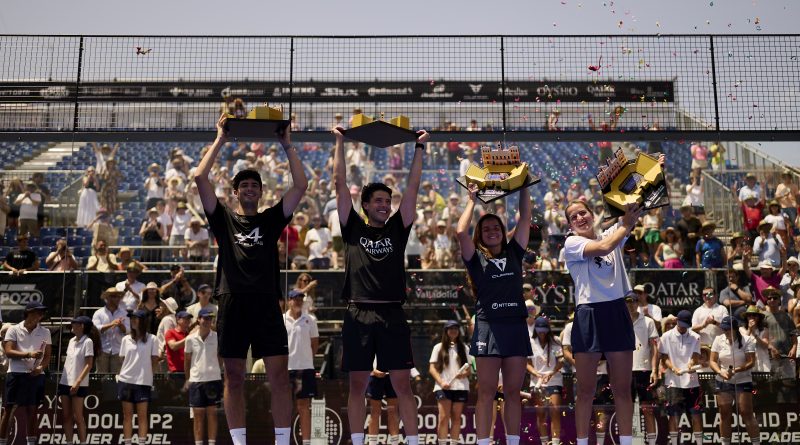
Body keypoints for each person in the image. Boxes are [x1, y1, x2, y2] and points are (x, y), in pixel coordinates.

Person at [196, 115, 307, 445]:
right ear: (235, 191)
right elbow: (200, 177)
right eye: (243, 184)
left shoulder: (272, 219)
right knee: (233, 377)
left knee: (280, 378)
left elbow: (300, 185)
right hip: (231, 302)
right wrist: (219, 138)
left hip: (265, 303)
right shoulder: (223, 219)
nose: (249, 188)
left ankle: (283, 441)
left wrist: (287, 145)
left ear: (260, 193)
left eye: (254, 185)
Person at [331, 124, 428, 445]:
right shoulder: (352, 228)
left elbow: (412, 189)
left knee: (403, 386)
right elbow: (339, 184)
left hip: (392, 315)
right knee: (357, 385)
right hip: (358, 314)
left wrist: (419, 148)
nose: (385, 205)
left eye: (388, 200)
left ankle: (412, 441)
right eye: (379, 201)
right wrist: (340, 142)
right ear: (366, 205)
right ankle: (358, 441)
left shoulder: (398, 228)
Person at [562, 197, 643, 445]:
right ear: (569, 225)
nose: (579, 218)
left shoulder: (610, 232)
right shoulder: (572, 243)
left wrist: (651, 173)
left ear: (592, 213)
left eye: (582, 212)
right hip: (588, 315)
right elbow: (605, 247)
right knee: (586, 390)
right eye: (573, 216)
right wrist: (624, 225)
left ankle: (627, 443)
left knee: (622, 388)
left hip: (617, 311)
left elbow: (635, 207)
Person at [456, 180, 531, 445]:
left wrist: (525, 185)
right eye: (486, 228)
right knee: (486, 391)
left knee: (513, 392)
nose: (491, 231)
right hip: (488, 327)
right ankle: (483, 442)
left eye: (496, 227)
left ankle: (512, 441)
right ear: (481, 233)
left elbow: (525, 219)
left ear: (502, 231)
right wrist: (471, 200)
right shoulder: (474, 257)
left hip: (515, 327)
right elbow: (460, 232)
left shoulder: (515, 252)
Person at [0, 302, 51, 445]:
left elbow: (47, 356)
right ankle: (2, 442)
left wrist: (41, 368)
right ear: (28, 313)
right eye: (37, 312)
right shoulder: (13, 329)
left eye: (42, 313)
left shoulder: (45, 332)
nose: (40, 315)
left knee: (32, 410)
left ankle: (31, 443)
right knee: (8, 410)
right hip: (16, 374)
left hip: (35, 376)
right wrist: (29, 354)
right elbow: (9, 351)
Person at [709, 316, 761, 445]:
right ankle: (725, 443)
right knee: (725, 414)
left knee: (746, 413)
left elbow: (751, 362)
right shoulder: (718, 339)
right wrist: (720, 371)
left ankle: (756, 443)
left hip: (743, 380)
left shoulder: (747, 340)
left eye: (728, 329)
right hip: (723, 380)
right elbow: (712, 361)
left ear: (735, 329)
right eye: (724, 329)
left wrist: (736, 370)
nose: (726, 332)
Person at [659, 310, 703, 445]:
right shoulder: (666, 336)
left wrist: (691, 363)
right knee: (673, 415)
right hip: (673, 382)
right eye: (681, 324)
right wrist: (674, 368)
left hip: (692, 383)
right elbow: (664, 358)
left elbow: (695, 356)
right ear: (677, 321)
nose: (683, 327)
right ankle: (674, 442)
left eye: (686, 325)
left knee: (696, 415)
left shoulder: (695, 337)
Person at [117, 309, 160, 445]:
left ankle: (141, 443)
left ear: (143, 321)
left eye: (136, 318)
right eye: (132, 318)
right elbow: (122, 360)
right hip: (126, 381)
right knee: (127, 416)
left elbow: (154, 360)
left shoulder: (153, 339)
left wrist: (148, 377)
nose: (133, 321)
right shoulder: (125, 339)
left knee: (142, 416)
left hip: (143, 382)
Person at [284, 290, 320, 445]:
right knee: (284, 407)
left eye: (300, 299)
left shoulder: (310, 320)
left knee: (304, 406)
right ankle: (282, 440)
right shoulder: (281, 320)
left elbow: (315, 344)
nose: (298, 302)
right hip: (286, 369)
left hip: (305, 368)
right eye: (295, 299)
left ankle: (306, 442)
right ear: (289, 301)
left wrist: (307, 361)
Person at [624, 293, 659, 445]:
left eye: (634, 301)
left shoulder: (648, 322)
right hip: (624, 371)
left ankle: (651, 443)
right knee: (627, 411)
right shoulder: (618, 321)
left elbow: (654, 347)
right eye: (628, 302)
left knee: (648, 410)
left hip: (644, 371)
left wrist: (655, 370)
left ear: (638, 303)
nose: (631, 304)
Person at [428, 321, 472, 445]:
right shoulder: (438, 347)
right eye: (451, 328)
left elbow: (469, 369)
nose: (453, 331)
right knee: (443, 418)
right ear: (446, 331)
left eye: (456, 328)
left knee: (457, 418)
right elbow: (431, 368)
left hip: (460, 387)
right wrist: (441, 382)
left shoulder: (464, 348)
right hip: (443, 388)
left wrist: (463, 374)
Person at [183, 308, 223, 445]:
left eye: (210, 318)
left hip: (214, 380)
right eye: (205, 318)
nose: (207, 321)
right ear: (198, 320)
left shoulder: (217, 337)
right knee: (198, 417)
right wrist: (188, 379)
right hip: (196, 382)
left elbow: (220, 358)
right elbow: (187, 361)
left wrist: (215, 370)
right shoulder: (189, 339)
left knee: (212, 415)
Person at [59, 315, 100, 445]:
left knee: (78, 417)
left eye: (75, 323)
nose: (72, 325)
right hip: (65, 382)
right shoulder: (71, 341)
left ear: (81, 326)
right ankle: (69, 442)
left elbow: (89, 364)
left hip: (79, 384)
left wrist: (77, 382)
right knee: (66, 416)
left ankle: (83, 442)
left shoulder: (88, 341)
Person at [526, 317, 563, 445]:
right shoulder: (530, 342)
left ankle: (556, 442)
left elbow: (561, 362)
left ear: (548, 329)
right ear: (536, 329)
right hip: (537, 382)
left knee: (555, 411)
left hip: (554, 380)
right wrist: (536, 373)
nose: (542, 333)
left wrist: (552, 373)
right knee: (541, 414)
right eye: (540, 330)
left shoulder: (556, 341)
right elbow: (527, 363)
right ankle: (544, 442)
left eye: (544, 330)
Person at [92, 288, 129, 373]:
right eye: (114, 296)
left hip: (118, 350)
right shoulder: (99, 313)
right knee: (101, 378)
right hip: (102, 349)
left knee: (117, 377)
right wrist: (111, 324)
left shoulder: (124, 313)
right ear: (107, 298)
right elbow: (95, 329)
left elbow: (128, 330)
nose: (118, 298)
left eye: (119, 296)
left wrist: (121, 325)